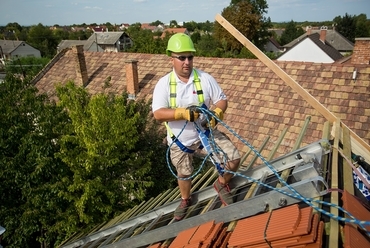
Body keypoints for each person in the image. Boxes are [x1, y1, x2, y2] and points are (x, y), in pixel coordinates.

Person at [152, 33, 241, 221]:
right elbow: (158, 114)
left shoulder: (204, 79)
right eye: (181, 57)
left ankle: (221, 183)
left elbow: (221, 100)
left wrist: (218, 113)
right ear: (172, 59)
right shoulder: (164, 84)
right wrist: (181, 113)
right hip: (180, 140)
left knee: (233, 158)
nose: (186, 62)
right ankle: (185, 199)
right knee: (184, 173)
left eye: (190, 57)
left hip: (205, 132)